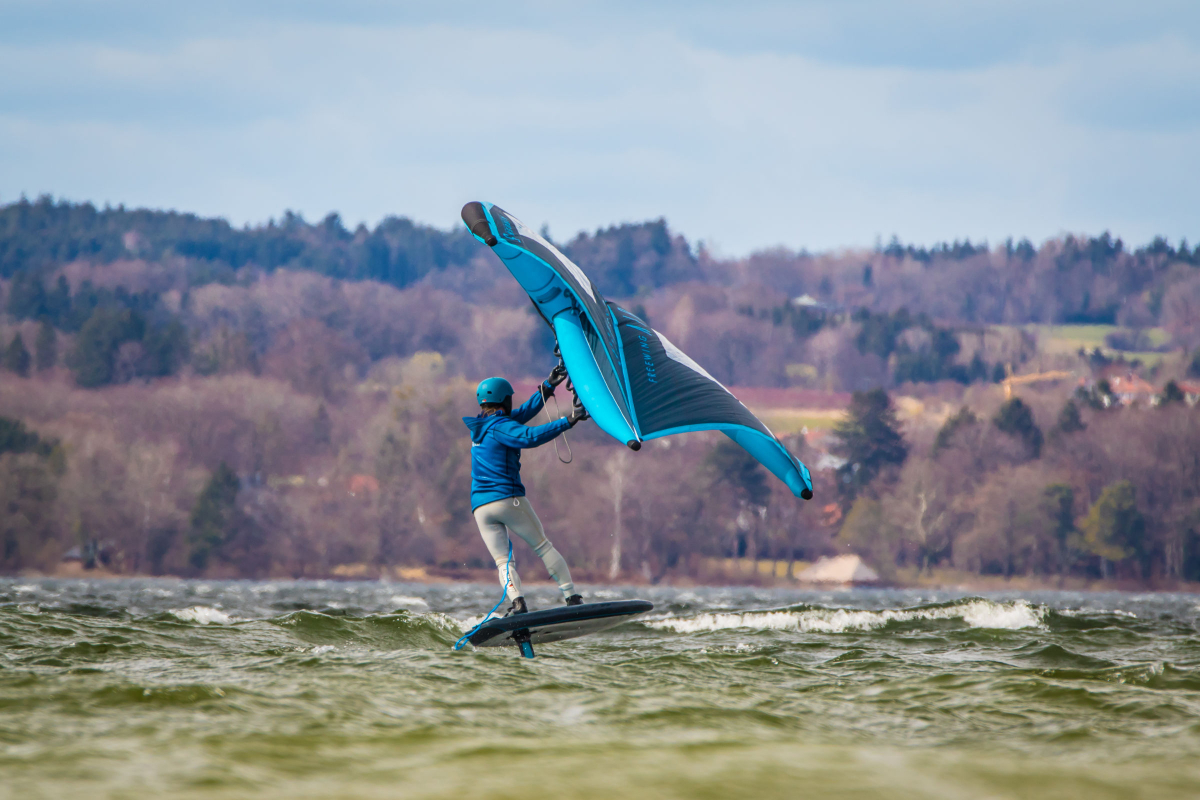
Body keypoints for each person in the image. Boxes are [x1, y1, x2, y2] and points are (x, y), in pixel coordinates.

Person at [462, 368, 589, 616]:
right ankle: (572, 597)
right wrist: (569, 420)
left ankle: (518, 604)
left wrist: (548, 386)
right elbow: (529, 436)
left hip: (480, 508)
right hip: (507, 500)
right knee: (543, 547)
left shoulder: (480, 428)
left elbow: (521, 415)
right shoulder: (501, 428)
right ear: (505, 400)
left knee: (503, 562)